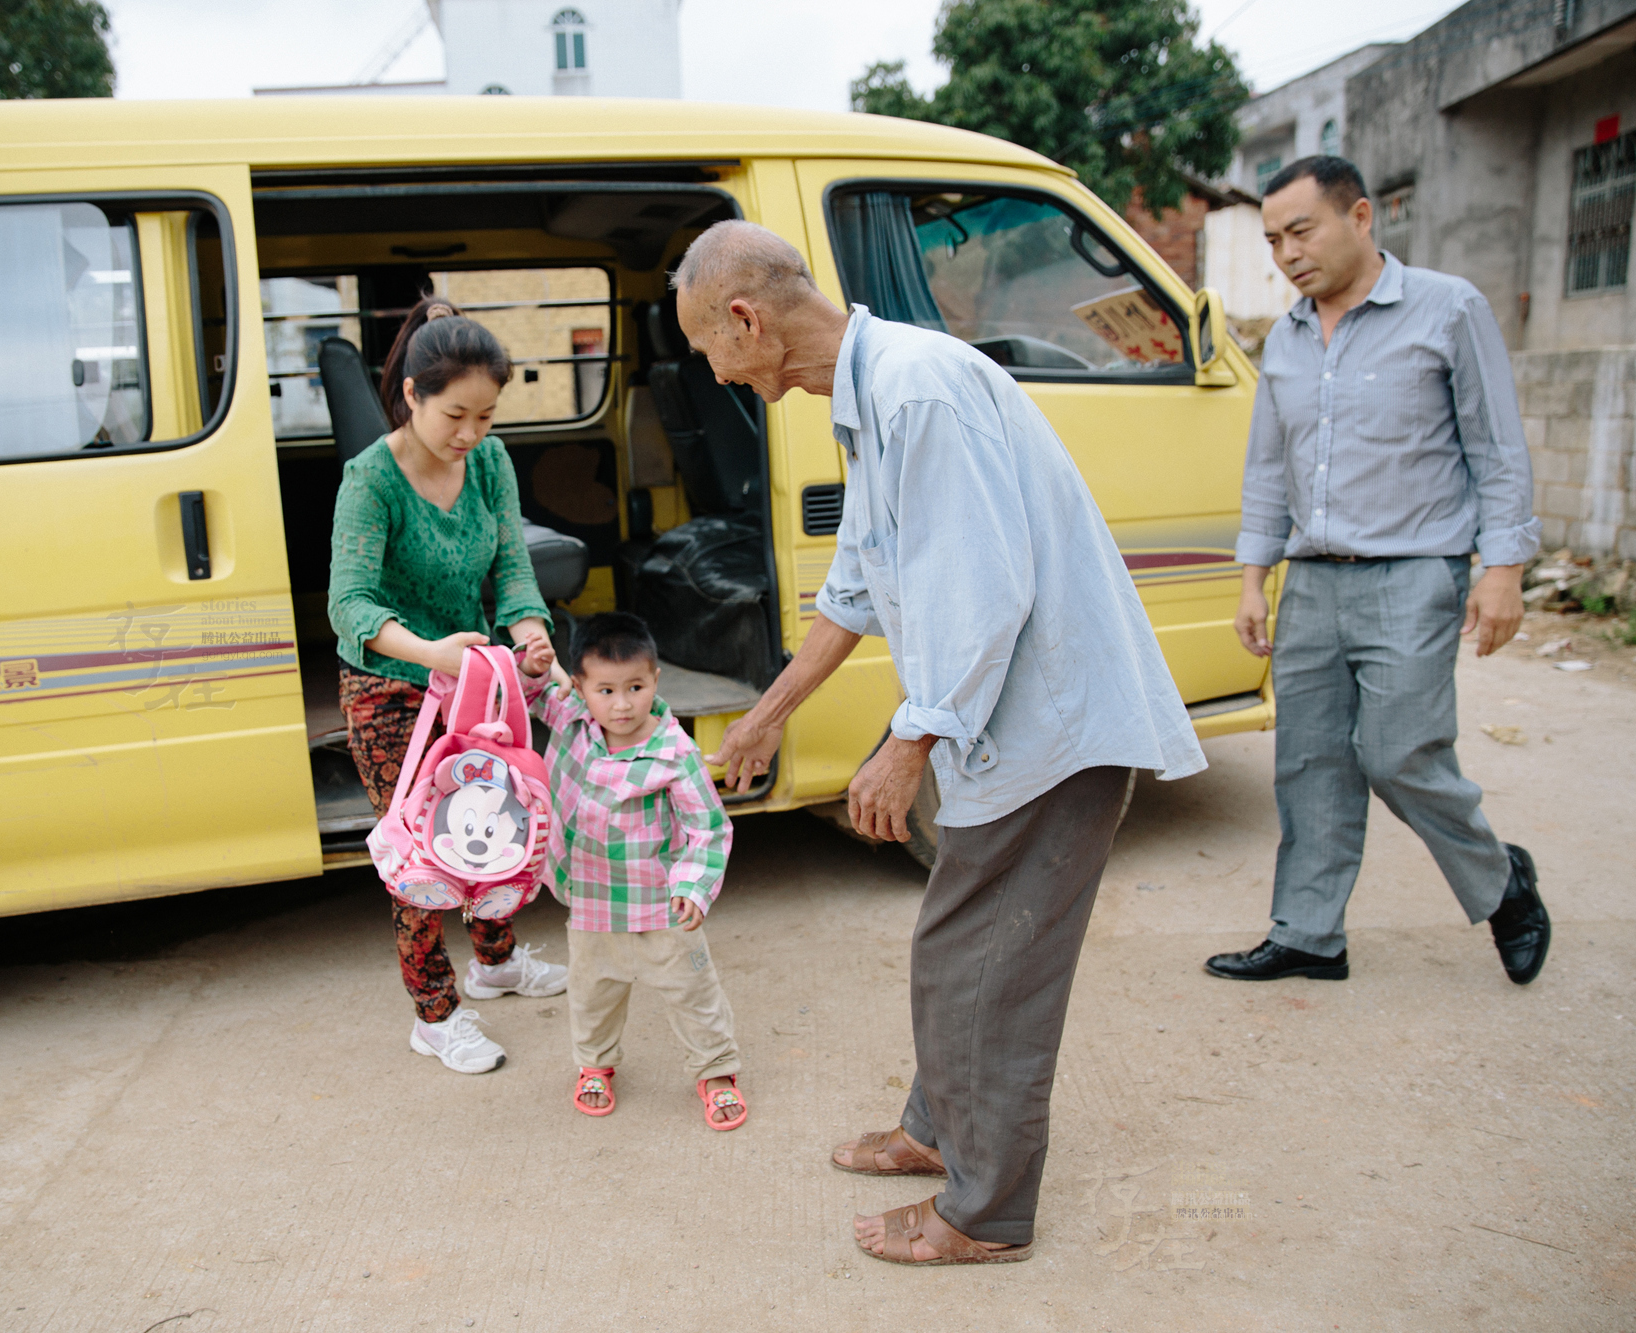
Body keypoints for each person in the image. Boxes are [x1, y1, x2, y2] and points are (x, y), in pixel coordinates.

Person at [682, 221, 1206, 1264]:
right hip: (1012, 723)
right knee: (962, 945)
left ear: (745, 319)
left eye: (704, 346)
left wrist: (907, 740)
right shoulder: (873, 400)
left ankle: (986, 1212)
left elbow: (982, 588)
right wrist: (765, 714)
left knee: (988, 964)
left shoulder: (916, 391)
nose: (710, 369)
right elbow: (857, 581)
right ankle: (935, 1132)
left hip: (1054, 724)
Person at [1205, 156, 1552, 988]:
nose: (1287, 253)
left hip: (1413, 571)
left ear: (1360, 217)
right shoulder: (1285, 337)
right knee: (1311, 760)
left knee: (1401, 755)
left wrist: (1502, 567)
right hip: (1313, 579)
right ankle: (1310, 934)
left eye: (1302, 230)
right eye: (1272, 239)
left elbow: (1497, 448)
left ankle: (1503, 884)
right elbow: (1267, 468)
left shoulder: (1448, 308)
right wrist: (1254, 578)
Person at [328, 297, 569, 1076]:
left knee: (495, 817)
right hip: (393, 686)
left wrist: (529, 632)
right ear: (412, 396)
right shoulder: (370, 480)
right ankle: (435, 1014)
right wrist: (431, 652)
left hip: (474, 677)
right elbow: (350, 605)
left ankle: (494, 963)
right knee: (425, 855)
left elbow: (511, 565)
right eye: (455, 415)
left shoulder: (490, 463)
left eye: (487, 417)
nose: (470, 435)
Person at [520, 613, 744, 1129]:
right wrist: (532, 669)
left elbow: (708, 827)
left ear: (655, 680)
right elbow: (527, 696)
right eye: (606, 690)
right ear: (579, 687)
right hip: (590, 899)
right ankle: (595, 1065)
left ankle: (715, 1072)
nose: (622, 704)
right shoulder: (571, 715)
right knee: (592, 990)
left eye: (635, 687)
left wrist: (692, 885)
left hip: (660, 904)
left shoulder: (673, 752)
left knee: (692, 992)